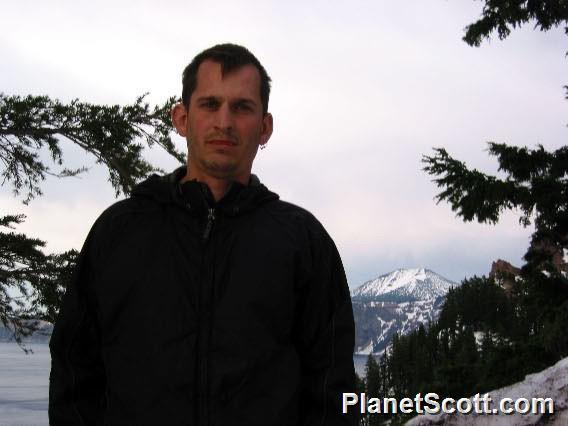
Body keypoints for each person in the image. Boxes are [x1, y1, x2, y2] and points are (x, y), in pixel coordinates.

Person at [49, 43, 358, 425]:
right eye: (210, 104)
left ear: (265, 127)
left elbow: (333, 385)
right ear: (181, 118)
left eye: (242, 107)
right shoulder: (119, 232)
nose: (224, 122)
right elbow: (74, 369)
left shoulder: (302, 242)